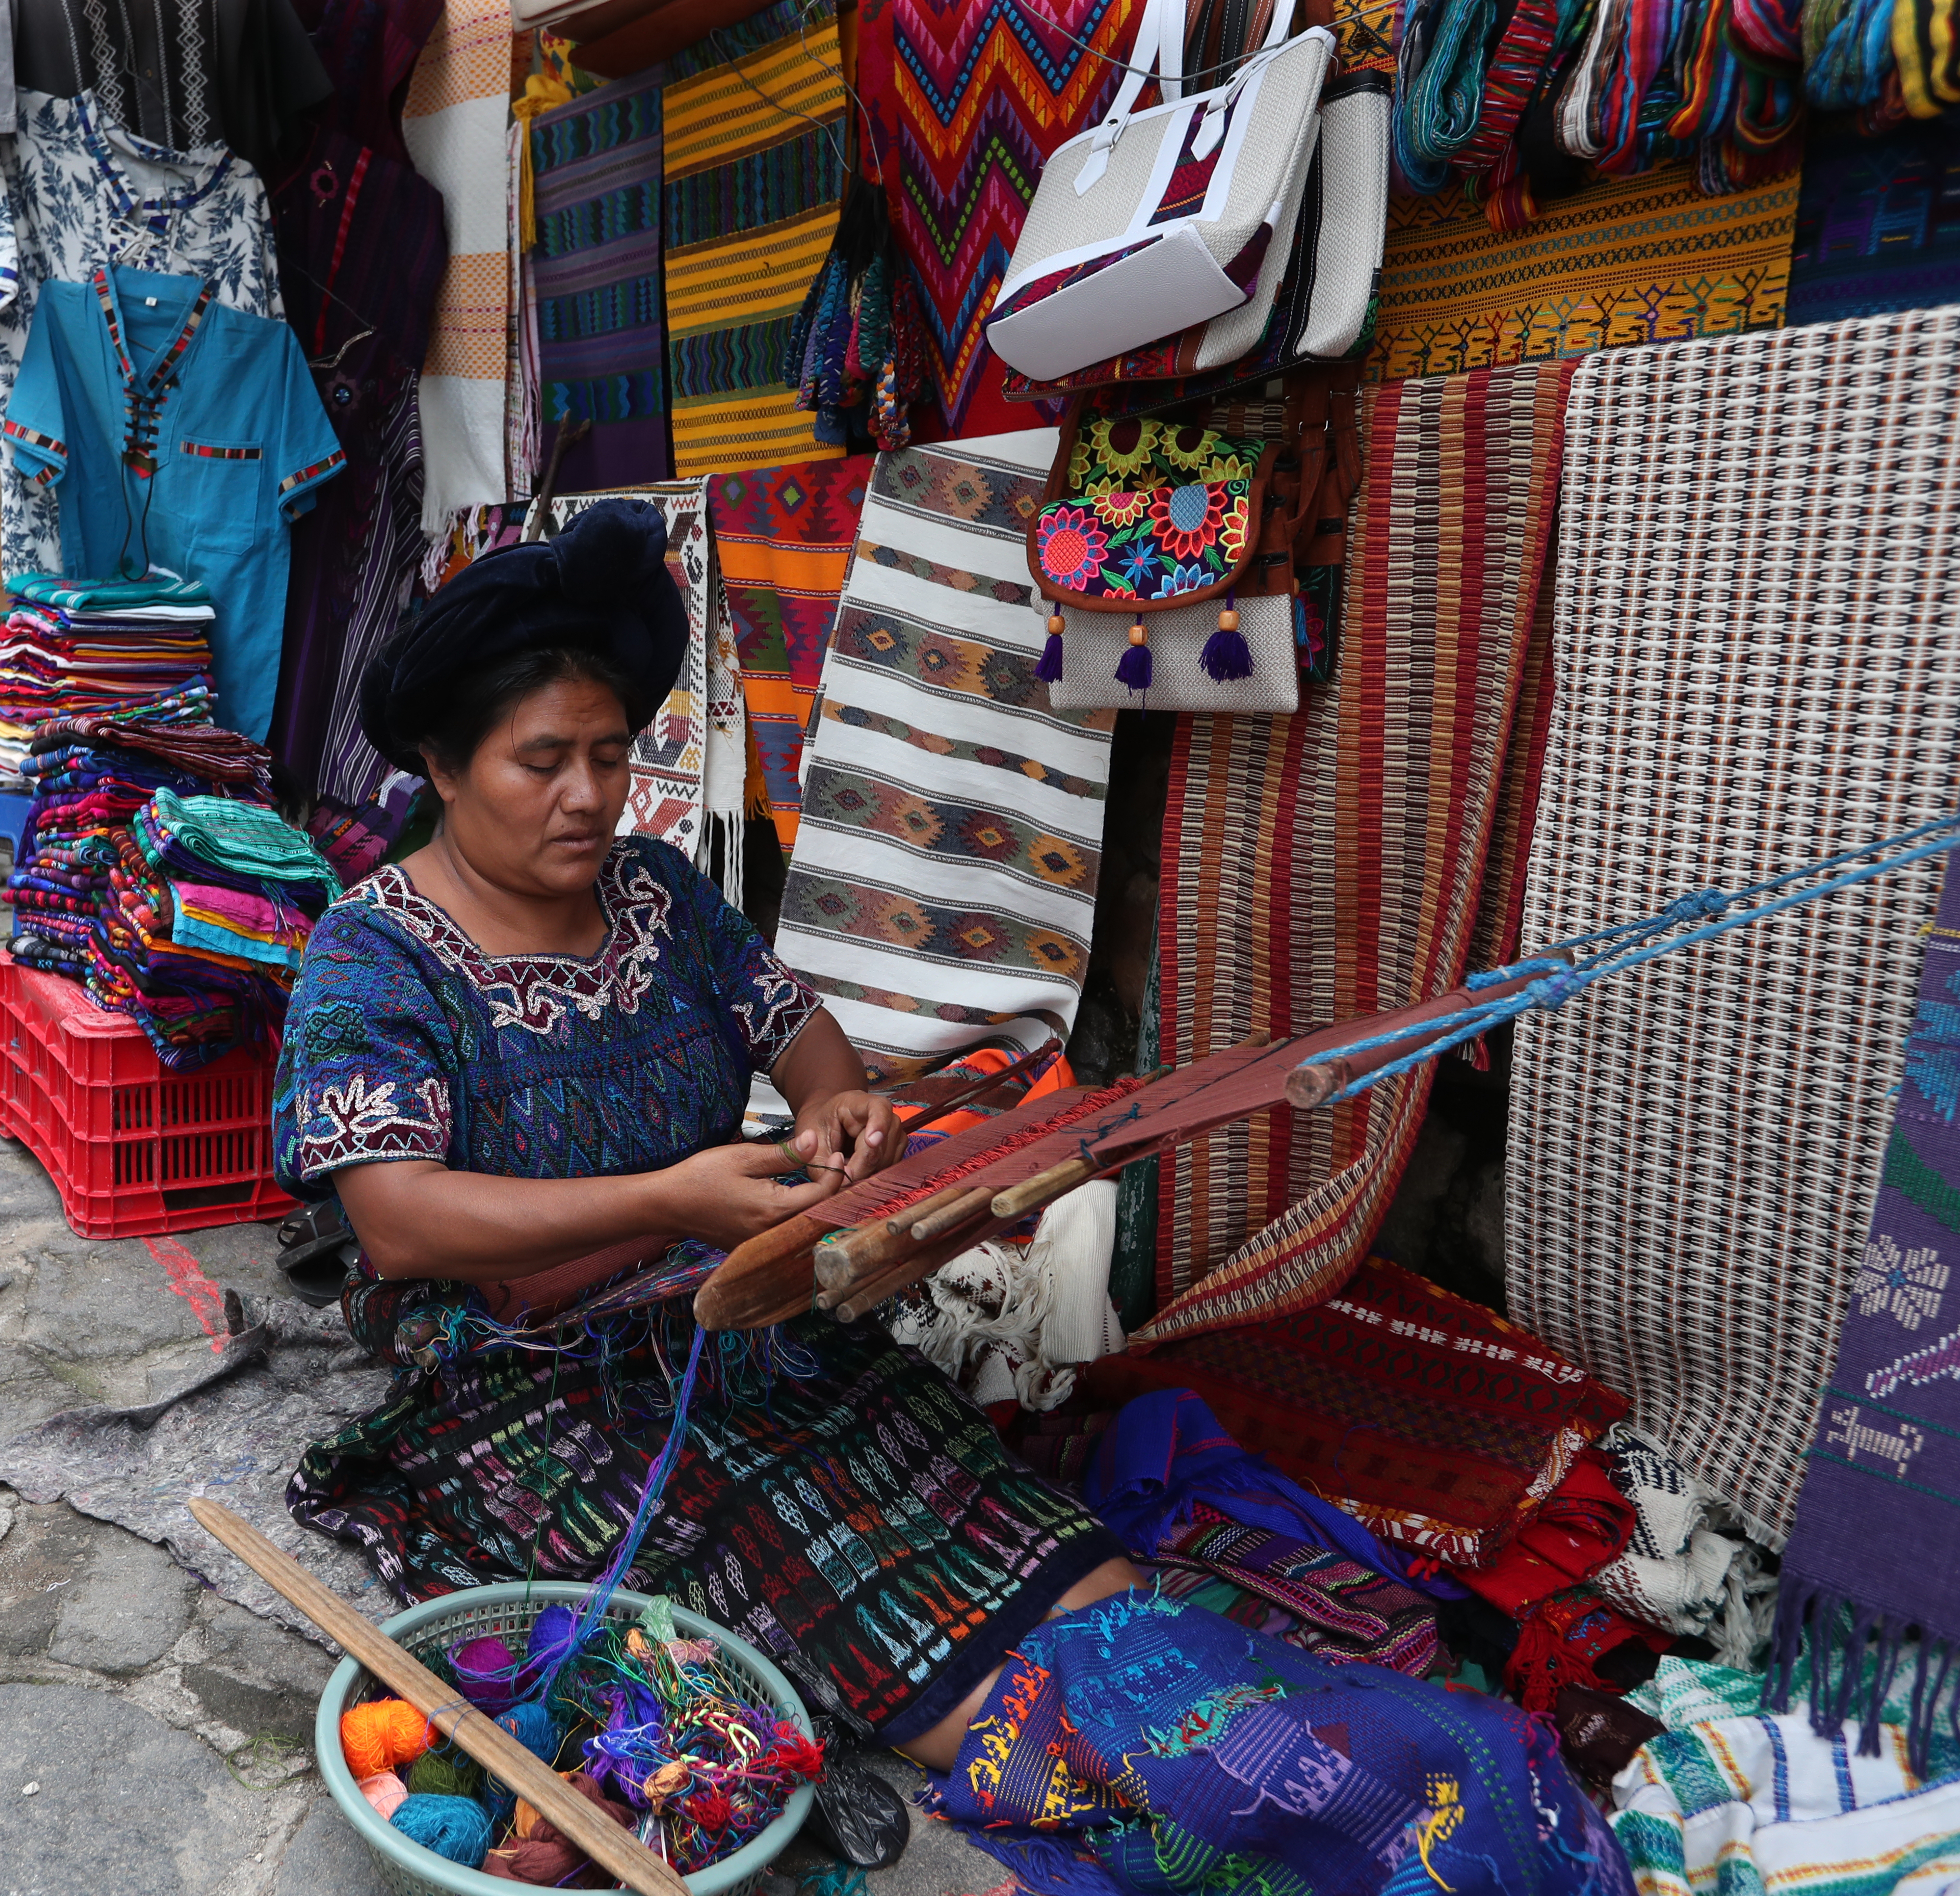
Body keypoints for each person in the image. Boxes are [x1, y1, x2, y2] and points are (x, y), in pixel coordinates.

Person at [274, 500, 1632, 1892]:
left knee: (987, 1521)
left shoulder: (659, 896)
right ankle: (1252, 1801)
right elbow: (397, 1218)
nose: (586, 795)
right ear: (442, 765)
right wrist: (672, 1197)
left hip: (739, 1311)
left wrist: (837, 1106)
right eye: (539, 762)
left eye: (612, 756)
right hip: (527, 1376)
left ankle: (1302, 1764)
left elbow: (792, 1027)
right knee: (774, 1543)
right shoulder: (375, 957)